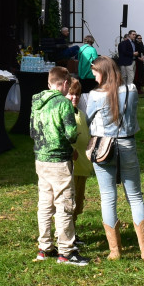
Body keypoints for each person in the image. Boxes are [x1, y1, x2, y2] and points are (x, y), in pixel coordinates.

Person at [86, 56, 144, 262]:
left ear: (104, 72)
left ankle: (115, 251)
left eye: (95, 71)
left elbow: (88, 118)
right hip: (127, 144)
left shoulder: (95, 95)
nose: (93, 75)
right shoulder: (132, 90)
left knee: (108, 196)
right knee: (135, 196)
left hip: (103, 147)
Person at [30, 66, 87, 266]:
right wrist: (70, 142)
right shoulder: (63, 104)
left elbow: (32, 130)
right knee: (64, 204)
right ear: (64, 84)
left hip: (40, 158)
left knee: (45, 204)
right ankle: (66, 251)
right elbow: (71, 133)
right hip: (60, 160)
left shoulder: (36, 101)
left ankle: (44, 247)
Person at [66, 77, 93, 238]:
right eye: (71, 95)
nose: (75, 98)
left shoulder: (81, 114)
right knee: (70, 202)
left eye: (77, 94)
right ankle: (67, 235)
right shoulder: (66, 115)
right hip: (72, 167)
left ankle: (73, 232)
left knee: (78, 204)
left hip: (83, 165)